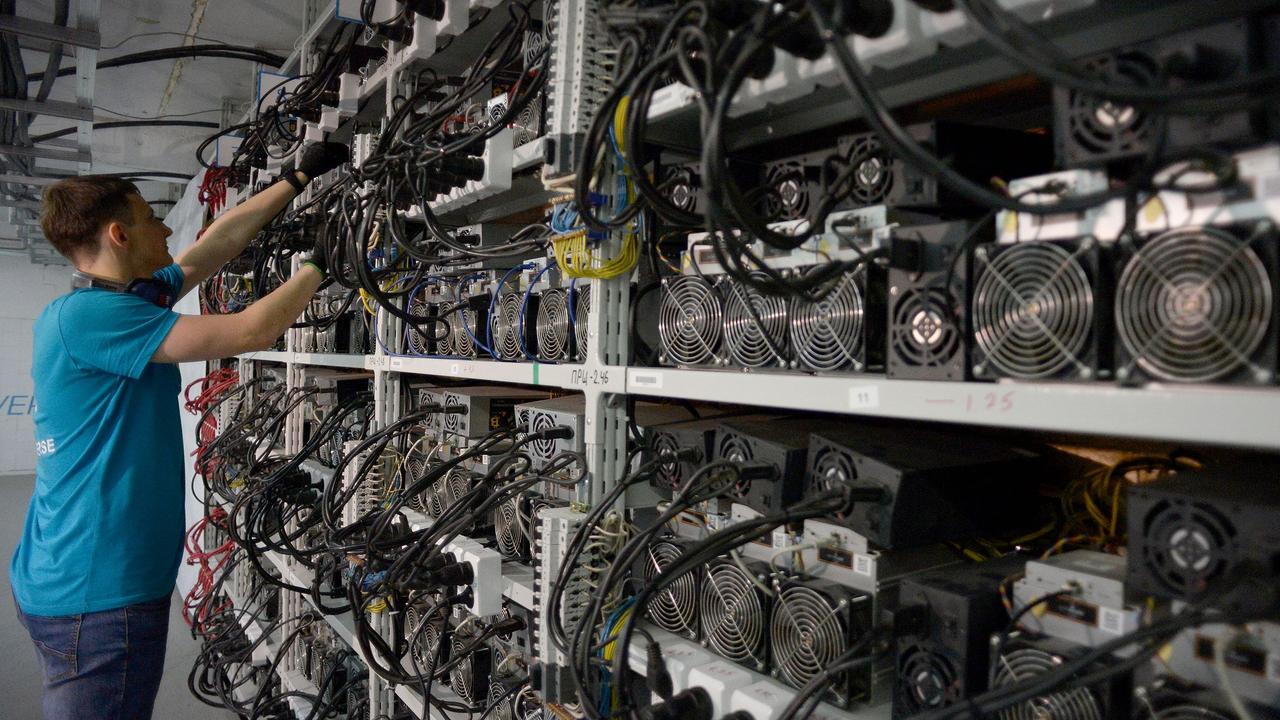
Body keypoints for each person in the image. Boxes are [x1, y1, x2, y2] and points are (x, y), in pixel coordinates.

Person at [9, 142, 348, 720]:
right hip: (96, 595)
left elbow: (213, 248)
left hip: (77, 578)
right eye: (150, 217)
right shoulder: (95, 318)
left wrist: (296, 178)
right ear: (119, 235)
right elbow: (248, 333)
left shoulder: (116, 300)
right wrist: (321, 263)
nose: (166, 226)